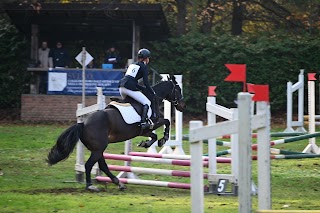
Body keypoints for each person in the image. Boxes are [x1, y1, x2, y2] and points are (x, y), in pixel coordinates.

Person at [119, 48, 157, 129]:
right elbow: (146, 83)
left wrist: (142, 89)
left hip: (121, 87)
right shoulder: (144, 67)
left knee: (131, 103)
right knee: (146, 102)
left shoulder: (132, 64)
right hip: (129, 87)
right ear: (146, 59)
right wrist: (152, 92)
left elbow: (131, 80)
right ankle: (143, 122)